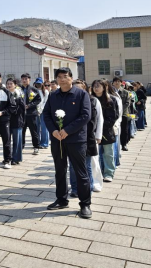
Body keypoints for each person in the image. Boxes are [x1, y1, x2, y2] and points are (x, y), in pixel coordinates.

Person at [43, 68, 93, 219]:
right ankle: (61, 199)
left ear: (71, 78)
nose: (62, 79)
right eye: (59, 77)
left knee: (80, 172)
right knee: (60, 170)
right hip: (57, 139)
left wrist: (67, 130)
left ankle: (85, 204)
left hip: (76, 139)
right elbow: (46, 114)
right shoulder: (53, 95)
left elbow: (85, 115)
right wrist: (53, 131)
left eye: (65, 76)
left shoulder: (81, 94)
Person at [69, 80, 103, 195]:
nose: (77, 91)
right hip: (71, 137)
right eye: (75, 89)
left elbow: (97, 120)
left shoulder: (92, 101)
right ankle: (75, 189)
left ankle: (89, 188)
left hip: (87, 137)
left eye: (80, 89)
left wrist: (98, 135)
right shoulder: (68, 100)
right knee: (72, 165)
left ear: (85, 89)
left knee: (86, 165)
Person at [92, 80, 120, 183]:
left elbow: (114, 117)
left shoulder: (111, 99)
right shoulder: (91, 99)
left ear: (104, 87)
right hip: (93, 131)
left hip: (106, 131)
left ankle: (109, 173)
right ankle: (98, 173)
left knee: (108, 153)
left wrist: (101, 127)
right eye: (94, 86)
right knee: (96, 154)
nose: (96, 88)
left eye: (98, 86)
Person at [20, 73, 42, 155]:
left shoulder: (34, 89)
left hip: (31, 113)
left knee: (34, 131)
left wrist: (29, 105)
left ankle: (36, 147)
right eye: (23, 79)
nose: (24, 80)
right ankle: (21, 147)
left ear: (29, 80)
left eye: (26, 79)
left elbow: (38, 100)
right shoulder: (18, 89)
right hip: (21, 114)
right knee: (22, 131)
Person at [6, 78, 26, 165]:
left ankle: (16, 158)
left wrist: (13, 111)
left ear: (15, 85)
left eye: (11, 84)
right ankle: (7, 158)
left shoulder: (19, 95)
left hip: (17, 120)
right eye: (8, 84)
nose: (9, 85)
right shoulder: (4, 94)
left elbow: (22, 108)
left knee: (17, 141)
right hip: (7, 120)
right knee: (7, 141)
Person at [112, 78, 131, 151]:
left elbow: (127, 103)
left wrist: (120, 110)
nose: (117, 83)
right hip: (113, 114)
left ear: (121, 83)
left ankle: (124, 144)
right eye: (115, 81)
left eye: (118, 81)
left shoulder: (125, 92)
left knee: (124, 130)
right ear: (113, 83)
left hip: (123, 114)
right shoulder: (111, 92)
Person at [36, 79, 50, 150]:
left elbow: (45, 102)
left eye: (39, 83)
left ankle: (44, 143)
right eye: (37, 83)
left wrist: (41, 109)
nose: (38, 85)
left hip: (43, 111)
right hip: (35, 111)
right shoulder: (34, 91)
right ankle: (37, 142)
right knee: (37, 127)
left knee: (44, 127)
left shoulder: (46, 92)